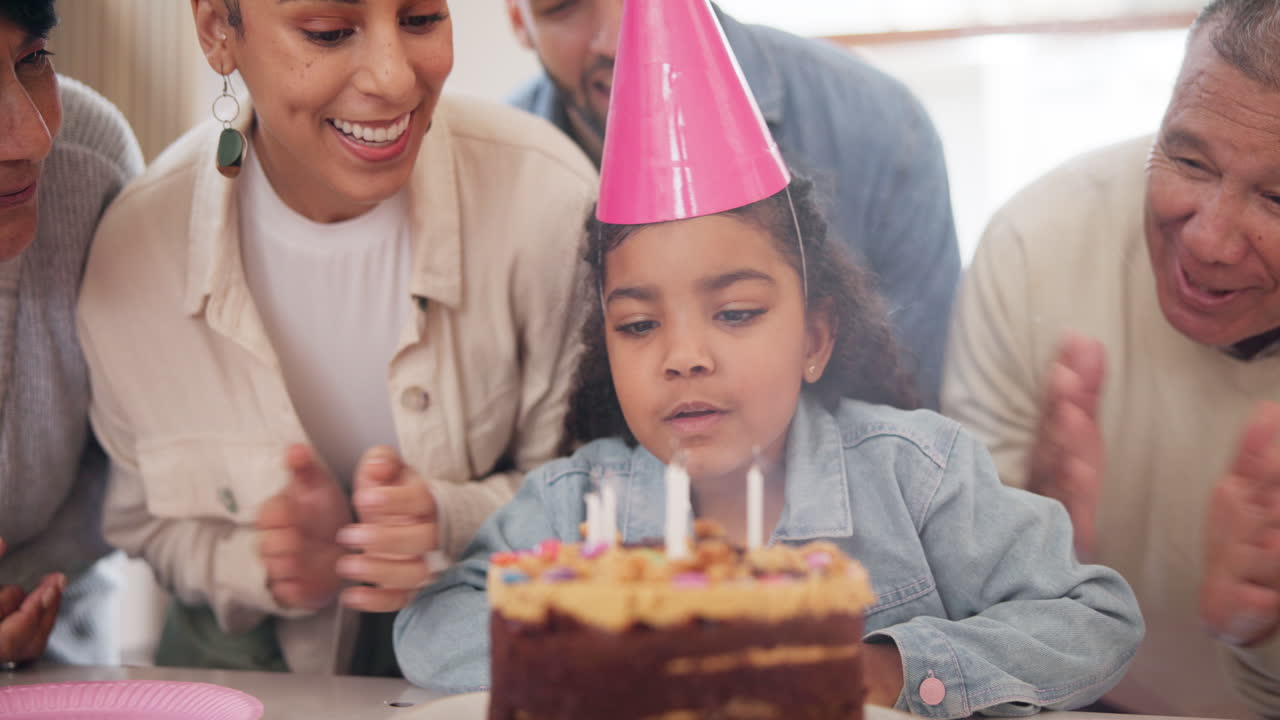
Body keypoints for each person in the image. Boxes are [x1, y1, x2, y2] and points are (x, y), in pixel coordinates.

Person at [393, 4, 1143, 715]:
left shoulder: (919, 481)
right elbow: (433, 624)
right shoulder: (576, 503)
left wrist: (886, 671)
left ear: (815, 338)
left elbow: (1094, 616)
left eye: (735, 313)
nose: (684, 356)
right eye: (639, 324)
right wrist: (597, 649)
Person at [76, 0, 596, 675]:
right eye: (329, 33)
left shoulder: (548, 202)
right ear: (217, 31)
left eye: (421, 20)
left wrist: (455, 519)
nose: (394, 79)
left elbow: (606, 488)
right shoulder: (134, 254)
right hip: (248, 678)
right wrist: (266, 564)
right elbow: (142, 520)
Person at [942, 1, 1280, 715]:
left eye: (1277, 198)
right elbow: (957, 637)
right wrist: (1023, 562)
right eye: (1189, 160)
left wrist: (1267, 640)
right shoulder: (1038, 242)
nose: (1208, 240)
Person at [503, 0, 960, 409]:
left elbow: (911, 405)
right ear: (518, 19)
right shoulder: (502, 173)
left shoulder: (882, 127)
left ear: (817, 336)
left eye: (737, 313)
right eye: (563, 6)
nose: (618, 39)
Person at [0, 0, 144, 667]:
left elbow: (124, 454)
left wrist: (17, 592)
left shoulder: (92, 161)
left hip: (60, 652)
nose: (30, 138)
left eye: (32, 60)